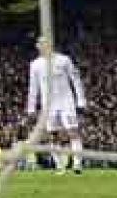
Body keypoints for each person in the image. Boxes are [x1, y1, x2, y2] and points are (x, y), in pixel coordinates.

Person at [26, 36, 87, 174]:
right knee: (52, 135)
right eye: (39, 44)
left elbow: (75, 79)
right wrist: (31, 107)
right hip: (48, 105)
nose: (41, 46)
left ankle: (77, 164)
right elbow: (33, 87)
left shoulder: (64, 60)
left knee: (73, 131)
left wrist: (81, 100)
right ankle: (59, 166)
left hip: (66, 102)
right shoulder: (35, 64)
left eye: (43, 44)